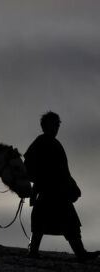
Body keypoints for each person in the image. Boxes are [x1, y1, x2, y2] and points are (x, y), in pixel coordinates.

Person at [24, 111, 98, 261]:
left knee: (69, 223)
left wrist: (72, 185)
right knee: (41, 222)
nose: (56, 128)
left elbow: (63, 171)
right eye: (54, 124)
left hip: (60, 191)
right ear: (45, 126)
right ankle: (33, 251)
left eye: (57, 125)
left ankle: (80, 253)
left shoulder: (55, 144)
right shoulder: (40, 142)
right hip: (47, 191)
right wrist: (40, 181)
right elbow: (28, 167)